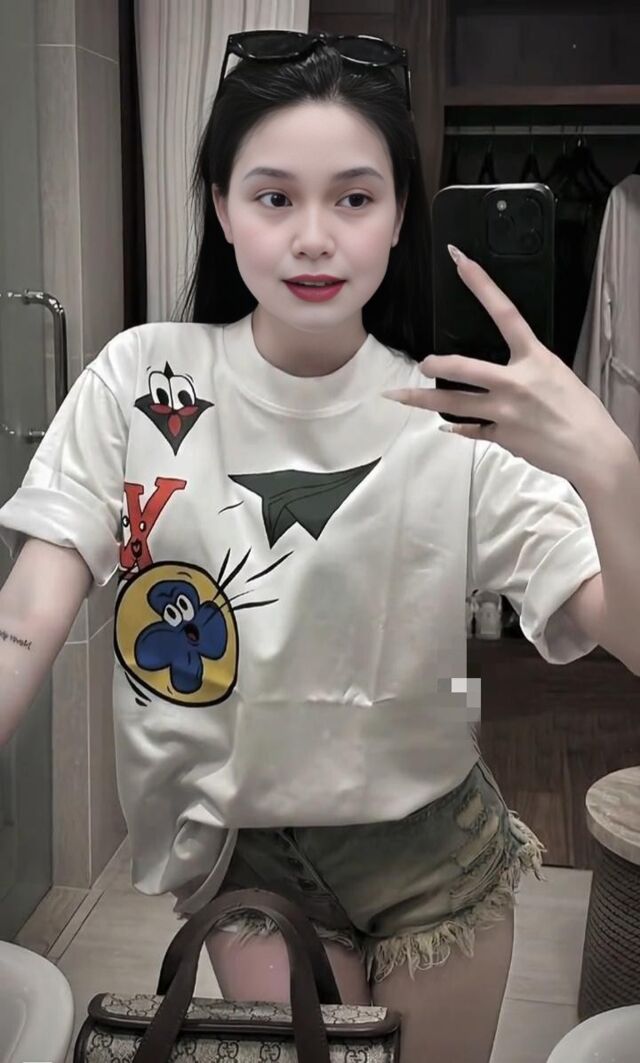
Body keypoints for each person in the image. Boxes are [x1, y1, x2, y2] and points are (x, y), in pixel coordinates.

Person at [0, 30, 616, 1063]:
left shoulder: (450, 417)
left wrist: (612, 471)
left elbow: (614, 623)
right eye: (275, 197)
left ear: (400, 215)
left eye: (355, 198)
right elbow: (28, 611)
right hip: (248, 851)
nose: (314, 238)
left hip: (435, 845)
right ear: (220, 206)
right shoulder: (140, 381)